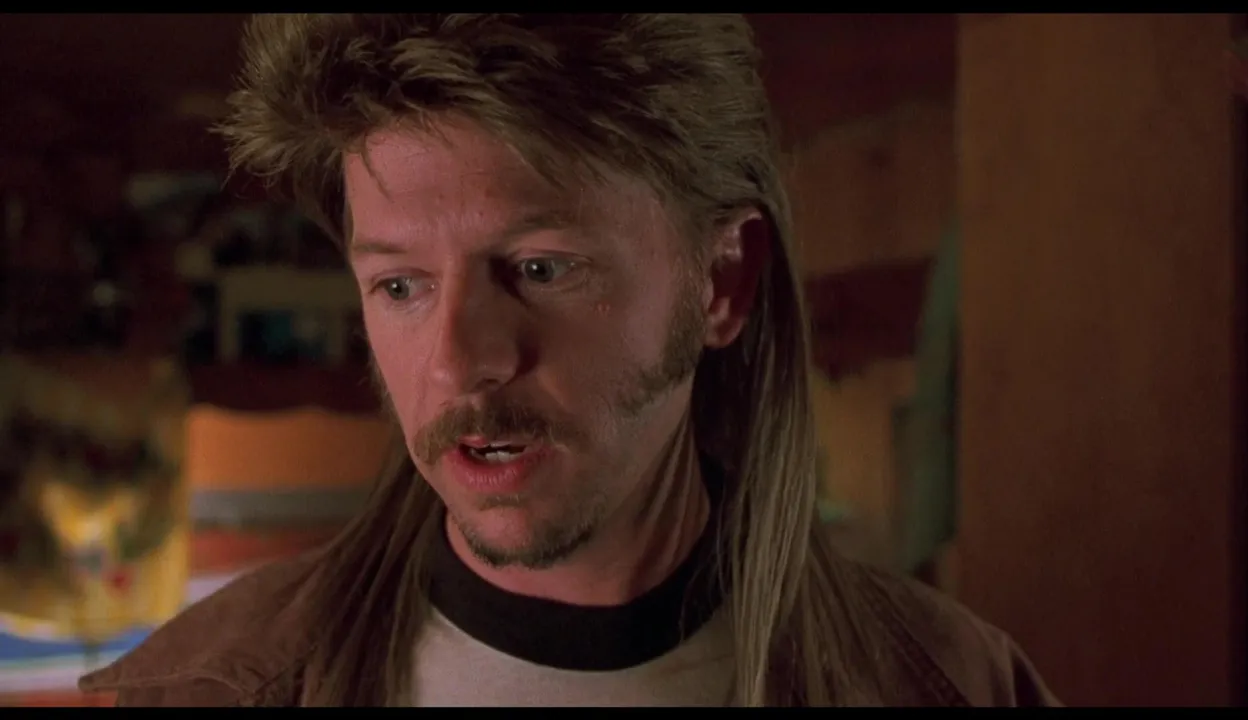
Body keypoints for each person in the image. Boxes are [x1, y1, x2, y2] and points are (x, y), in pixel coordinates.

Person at [79, 14, 1059, 707]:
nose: (458, 363)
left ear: (721, 281)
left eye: (539, 268)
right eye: (401, 286)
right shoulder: (214, 688)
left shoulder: (947, 684)